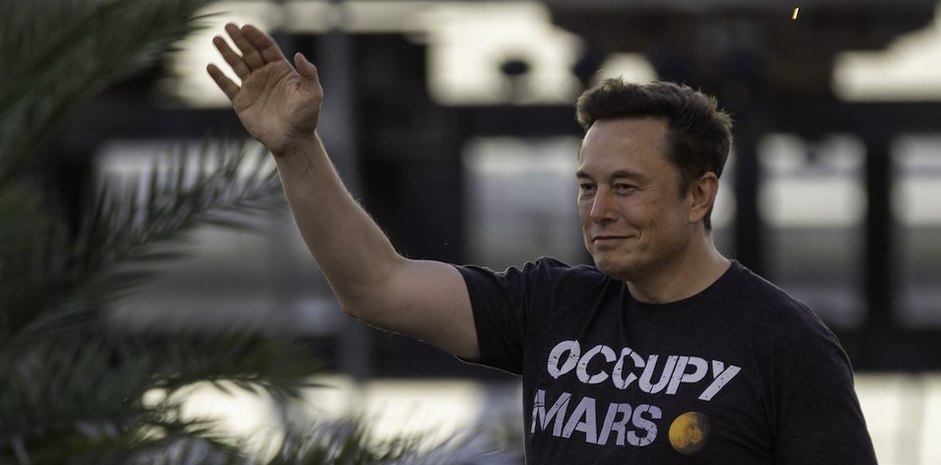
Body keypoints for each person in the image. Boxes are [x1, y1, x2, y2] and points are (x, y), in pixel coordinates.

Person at [207, 22, 878, 464]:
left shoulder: (784, 343)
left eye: (626, 186)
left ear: (699, 195)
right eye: (587, 186)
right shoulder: (552, 305)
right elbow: (376, 286)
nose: (600, 210)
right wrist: (295, 147)